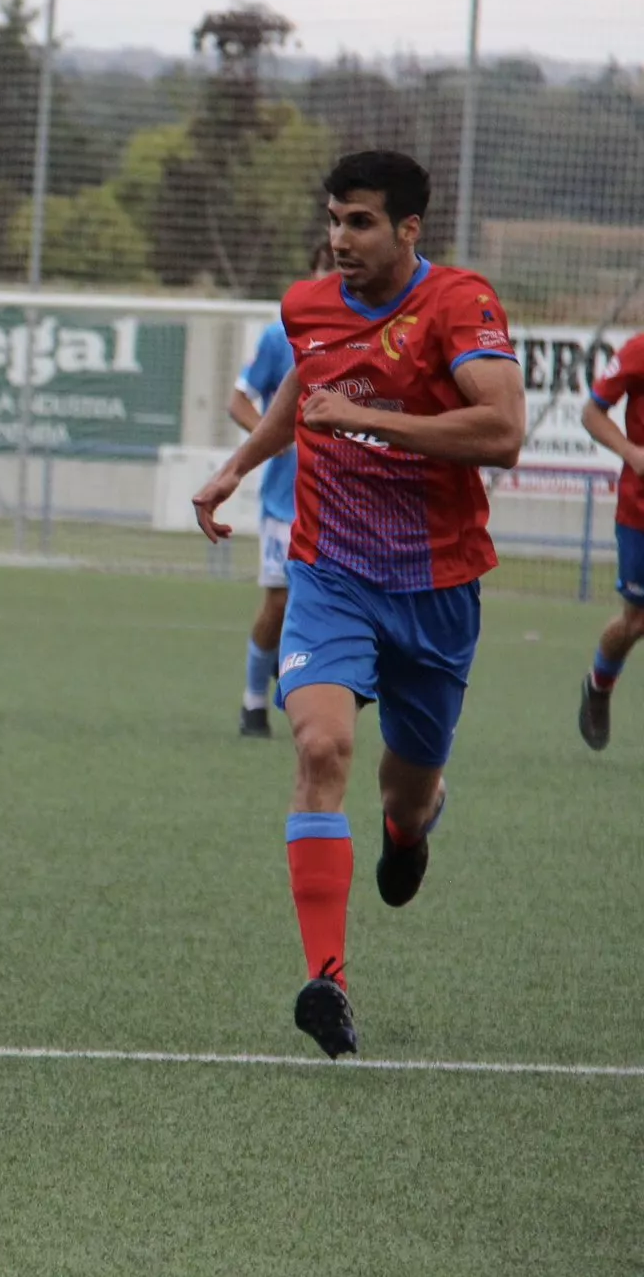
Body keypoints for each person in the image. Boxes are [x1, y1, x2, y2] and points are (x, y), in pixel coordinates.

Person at [192, 150, 525, 1059]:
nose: (340, 238)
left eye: (361, 222)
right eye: (334, 218)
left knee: (404, 799)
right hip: (330, 574)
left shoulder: (459, 304)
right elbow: (307, 383)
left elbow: (501, 432)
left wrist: (371, 418)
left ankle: (408, 830)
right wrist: (237, 465)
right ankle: (327, 983)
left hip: (439, 591)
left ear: (409, 229)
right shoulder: (305, 306)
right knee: (322, 744)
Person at [229, 243, 337, 737]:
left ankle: (303, 691)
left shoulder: (371, 340)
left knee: (325, 607)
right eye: (324, 271)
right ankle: (254, 704)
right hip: (284, 501)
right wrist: (270, 440)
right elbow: (239, 401)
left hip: (341, 502)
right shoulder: (281, 337)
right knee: (278, 603)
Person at [576, 334, 644, 750]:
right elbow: (591, 413)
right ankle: (599, 686)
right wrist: (632, 453)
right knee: (635, 622)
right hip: (640, 512)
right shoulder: (639, 350)